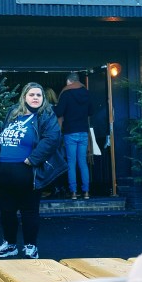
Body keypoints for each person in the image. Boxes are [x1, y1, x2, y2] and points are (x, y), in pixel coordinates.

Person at [0, 82, 61, 259]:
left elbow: (52, 139)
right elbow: (3, 133)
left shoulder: (46, 115)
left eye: (39, 95)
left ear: (43, 98)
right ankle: (10, 245)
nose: (35, 97)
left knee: (29, 211)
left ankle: (31, 246)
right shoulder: (13, 113)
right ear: (24, 97)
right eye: (31, 94)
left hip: (28, 171)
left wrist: (33, 159)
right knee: (6, 211)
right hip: (5, 171)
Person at [54, 71, 93, 200]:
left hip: (70, 132)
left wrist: (52, 107)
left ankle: (74, 192)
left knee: (71, 162)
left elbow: (59, 112)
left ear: (69, 81)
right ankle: (86, 192)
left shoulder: (66, 93)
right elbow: (91, 111)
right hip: (83, 132)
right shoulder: (86, 93)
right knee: (83, 162)